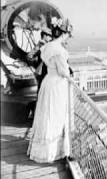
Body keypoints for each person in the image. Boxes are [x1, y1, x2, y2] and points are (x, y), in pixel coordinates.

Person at [27, 18, 73, 163]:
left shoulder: (47, 47)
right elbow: (64, 71)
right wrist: (70, 74)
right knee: (55, 115)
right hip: (57, 85)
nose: (68, 38)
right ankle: (52, 152)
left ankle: (44, 149)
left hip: (48, 81)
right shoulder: (59, 49)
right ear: (64, 34)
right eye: (68, 35)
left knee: (46, 114)